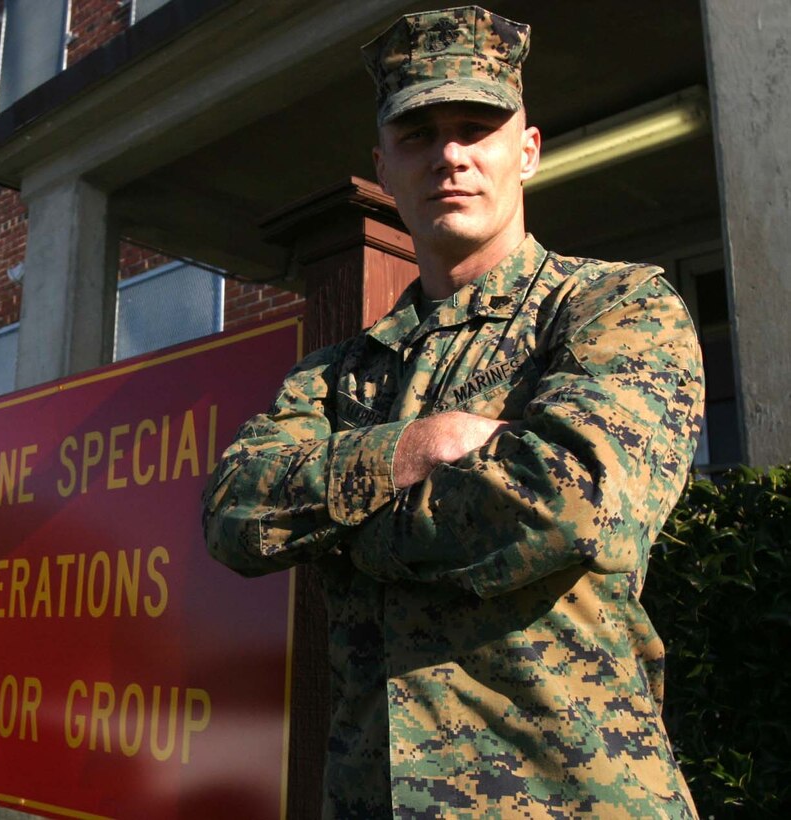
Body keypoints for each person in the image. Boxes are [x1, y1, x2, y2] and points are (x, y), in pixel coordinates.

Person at [202, 6, 703, 818]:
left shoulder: (613, 306)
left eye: (476, 128)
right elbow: (234, 512)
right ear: (384, 165)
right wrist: (422, 447)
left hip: (570, 795)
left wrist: (340, 526)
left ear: (527, 151)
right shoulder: (338, 375)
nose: (450, 157)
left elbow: (566, 504)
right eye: (419, 135)